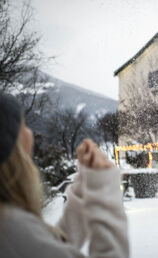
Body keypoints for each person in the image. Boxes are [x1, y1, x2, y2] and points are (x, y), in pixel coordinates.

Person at [0, 93, 129, 258]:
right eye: (23, 126)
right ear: (10, 147)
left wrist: (86, 183)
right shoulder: (11, 230)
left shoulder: (12, 225)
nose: (30, 133)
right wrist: (105, 186)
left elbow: (52, 246)